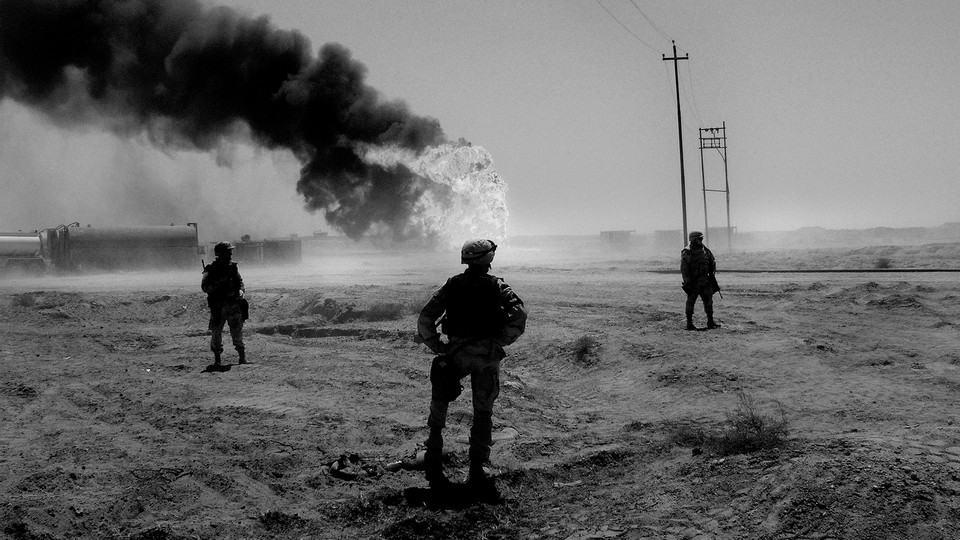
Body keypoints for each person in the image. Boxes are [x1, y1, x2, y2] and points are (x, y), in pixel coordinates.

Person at [417, 239, 527, 492]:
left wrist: (437, 345)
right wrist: (503, 340)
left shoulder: (452, 285)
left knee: (440, 396)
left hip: (456, 352)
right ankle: (478, 466)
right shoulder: (497, 285)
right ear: (487, 259)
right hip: (486, 355)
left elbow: (425, 318)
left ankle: (433, 451)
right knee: (483, 410)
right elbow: (518, 314)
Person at [202, 241, 246, 365]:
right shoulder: (211, 270)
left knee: (237, 331)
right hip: (218, 306)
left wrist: (241, 291)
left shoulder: (233, 267)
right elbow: (205, 287)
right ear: (220, 254)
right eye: (228, 252)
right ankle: (217, 360)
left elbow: (240, 282)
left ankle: (242, 357)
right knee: (216, 333)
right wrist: (217, 286)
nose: (230, 254)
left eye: (230, 252)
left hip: (233, 304)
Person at [681, 231, 720, 330]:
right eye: (699, 239)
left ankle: (710, 322)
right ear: (693, 239)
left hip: (705, 280)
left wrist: (712, 275)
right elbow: (684, 269)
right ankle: (689, 324)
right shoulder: (687, 251)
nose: (701, 241)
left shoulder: (705, 250)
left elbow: (712, 261)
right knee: (690, 302)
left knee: (709, 302)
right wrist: (687, 282)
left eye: (701, 239)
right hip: (693, 282)